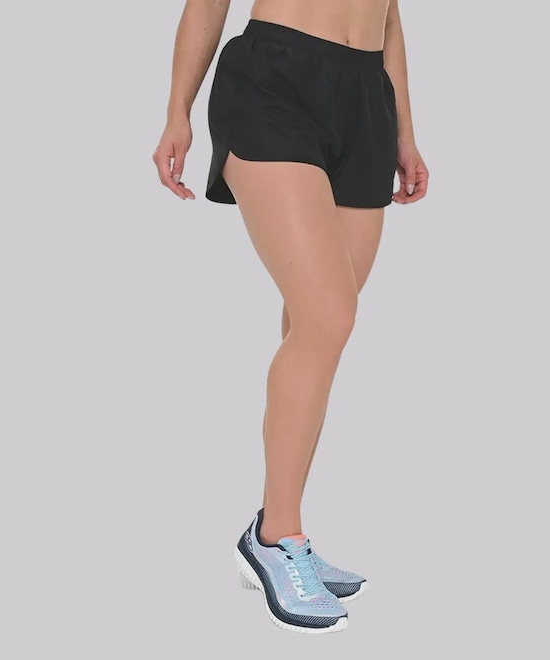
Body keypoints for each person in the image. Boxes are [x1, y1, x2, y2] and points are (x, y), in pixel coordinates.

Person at [152, 0, 429, 634]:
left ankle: (276, 524)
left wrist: (404, 132)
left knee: (317, 325)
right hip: (274, 81)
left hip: (366, 95)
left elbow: (389, 16)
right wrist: (176, 111)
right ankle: (279, 537)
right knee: (327, 316)